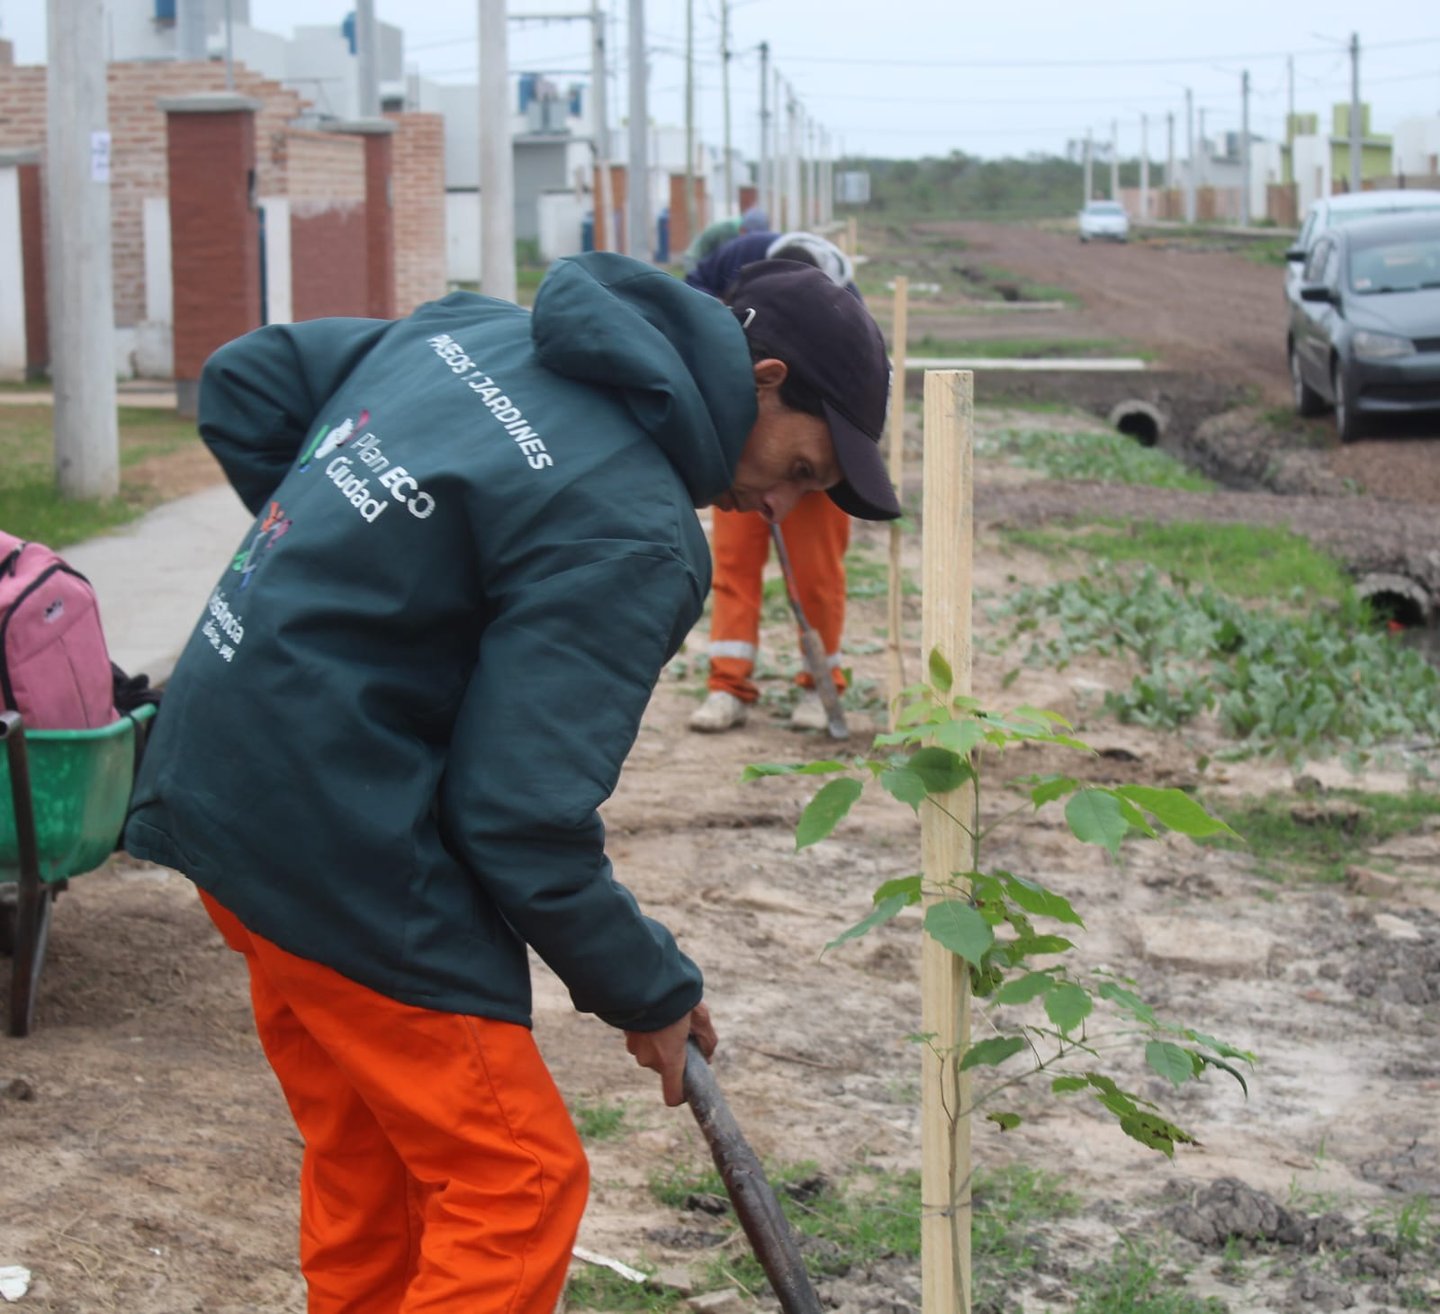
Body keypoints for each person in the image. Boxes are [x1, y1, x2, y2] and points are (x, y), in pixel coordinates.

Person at [122, 252, 899, 1313]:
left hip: (217, 779)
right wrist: (648, 989)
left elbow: (251, 380)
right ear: (765, 380)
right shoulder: (632, 532)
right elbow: (520, 817)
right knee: (515, 1187)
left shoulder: (475, 334)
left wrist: (346, 583)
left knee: (377, 1162)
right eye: (802, 469)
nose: (779, 503)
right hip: (335, 841)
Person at [688, 231, 869, 733]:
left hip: (811, 454)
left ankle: (819, 684)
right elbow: (689, 302)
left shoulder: (848, 309)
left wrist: (816, 467)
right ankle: (727, 684)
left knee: (816, 574)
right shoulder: (738, 260)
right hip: (750, 447)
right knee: (734, 564)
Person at [679, 204, 769, 272]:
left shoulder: (760, 240)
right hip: (698, 262)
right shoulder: (723, 231)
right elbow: (695, 256)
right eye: (750, 236)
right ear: (742, 230)